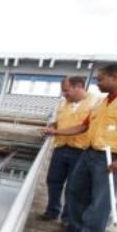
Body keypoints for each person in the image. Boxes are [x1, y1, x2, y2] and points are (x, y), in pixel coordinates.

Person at [43, 63, 117, 232]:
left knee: (100, 198)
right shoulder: (102, 102)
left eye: (101, 79)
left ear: (115, 77)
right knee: (75, 190)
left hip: (110, 155)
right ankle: (74, 227)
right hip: (89, 151)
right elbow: (83, 127)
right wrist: (56, 132)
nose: (97, 83)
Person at [39, 76, 97, 222]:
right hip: (61, 147)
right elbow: (59, 122)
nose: (64, 94)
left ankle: (68, 219)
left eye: (66, 90)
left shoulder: (95, 103)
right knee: (53, 180)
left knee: (74, 187)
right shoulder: (63, 103)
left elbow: (84, 127)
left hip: (81, 150)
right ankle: (52, 211)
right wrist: (52, 126)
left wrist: (56, 132)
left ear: (78, 87)